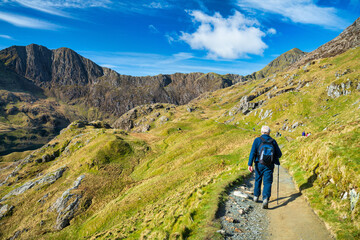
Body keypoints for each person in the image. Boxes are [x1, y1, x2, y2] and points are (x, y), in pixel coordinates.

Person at [248, 126, 282, 209]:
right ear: (269, 132)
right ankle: (265, 199)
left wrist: (250, 164)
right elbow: (279, 154)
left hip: (258, 163)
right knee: (267, 182)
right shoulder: (273, 141)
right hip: (269, 165)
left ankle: (256, 196)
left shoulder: (257, 140)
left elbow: (252, 152)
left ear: (261, 132)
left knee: (258, 179)